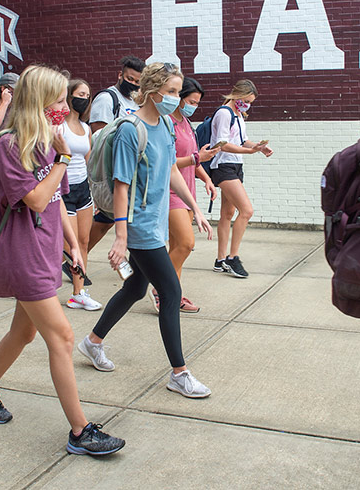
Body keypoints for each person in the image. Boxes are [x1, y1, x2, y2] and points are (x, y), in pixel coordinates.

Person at [0, 64, 125, 456]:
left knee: (24, 332)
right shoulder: (11, 145)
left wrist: (73, 247)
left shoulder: (49, 141)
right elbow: (35, 198)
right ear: (38, 101)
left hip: (47, 250)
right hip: (23, 255)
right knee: (64, 337)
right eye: (56, 99)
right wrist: (60, 158)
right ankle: (80, 431)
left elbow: (56, 204)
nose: (63, 106)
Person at [78, 62, 213, 399]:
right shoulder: (130, 129)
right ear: (151, 91)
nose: (176, 99)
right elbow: (122, 185)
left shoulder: (165, 125)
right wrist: (121, 237)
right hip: (137, 225)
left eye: (178, 92)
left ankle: (93, 342)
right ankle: (179, 373)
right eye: (170, 92)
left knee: (136, 288)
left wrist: (194, 208)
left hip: (155, 220)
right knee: (169, 291)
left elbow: (169, 170)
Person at [150, 77, 218, 313]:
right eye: (190, 101)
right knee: (187, 244)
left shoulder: (187, 124)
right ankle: (160, 288)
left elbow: (194, 160)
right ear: (178, 97)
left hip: (188, 191)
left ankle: (173, 294)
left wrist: (207, 179)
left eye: (197, 103)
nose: (193, 106)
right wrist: (196, 159)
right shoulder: (166, 123)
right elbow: (167, 162)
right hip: (169, 192)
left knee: (177, 246)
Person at [209, 79, 272, 279]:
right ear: (237, 95)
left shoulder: (238, 115)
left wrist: (258, 147)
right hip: (223, 165)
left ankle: (220, 260)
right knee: (247, 210)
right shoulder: (223, 113)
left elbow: (242, 140)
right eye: (246, 100)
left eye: (250, 102)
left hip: (236, 165)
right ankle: (232, 257)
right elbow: (223, 144)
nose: (247, 104)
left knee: (228, 213)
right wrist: (249, 150)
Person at [85, 56, 145, 260]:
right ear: (120, 75)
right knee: (109, 216)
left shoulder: (135, 101)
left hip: (130, 165)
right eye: (130, 79)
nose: (134, 84)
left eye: (138, 81)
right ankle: (76, 256)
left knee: (109, 219)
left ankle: (77, 256)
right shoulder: (107, 98)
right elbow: (99, 137)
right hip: (113, 167)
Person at [59, 78, 99, 311]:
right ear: (69, 95)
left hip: (82, 189)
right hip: (63, 190)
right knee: (67, 245)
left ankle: (78, 293)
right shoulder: (58, 126)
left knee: (82, 242)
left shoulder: (86, 128)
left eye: (87, 95)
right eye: (79, 94)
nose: (83, 99)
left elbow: (88, 160)